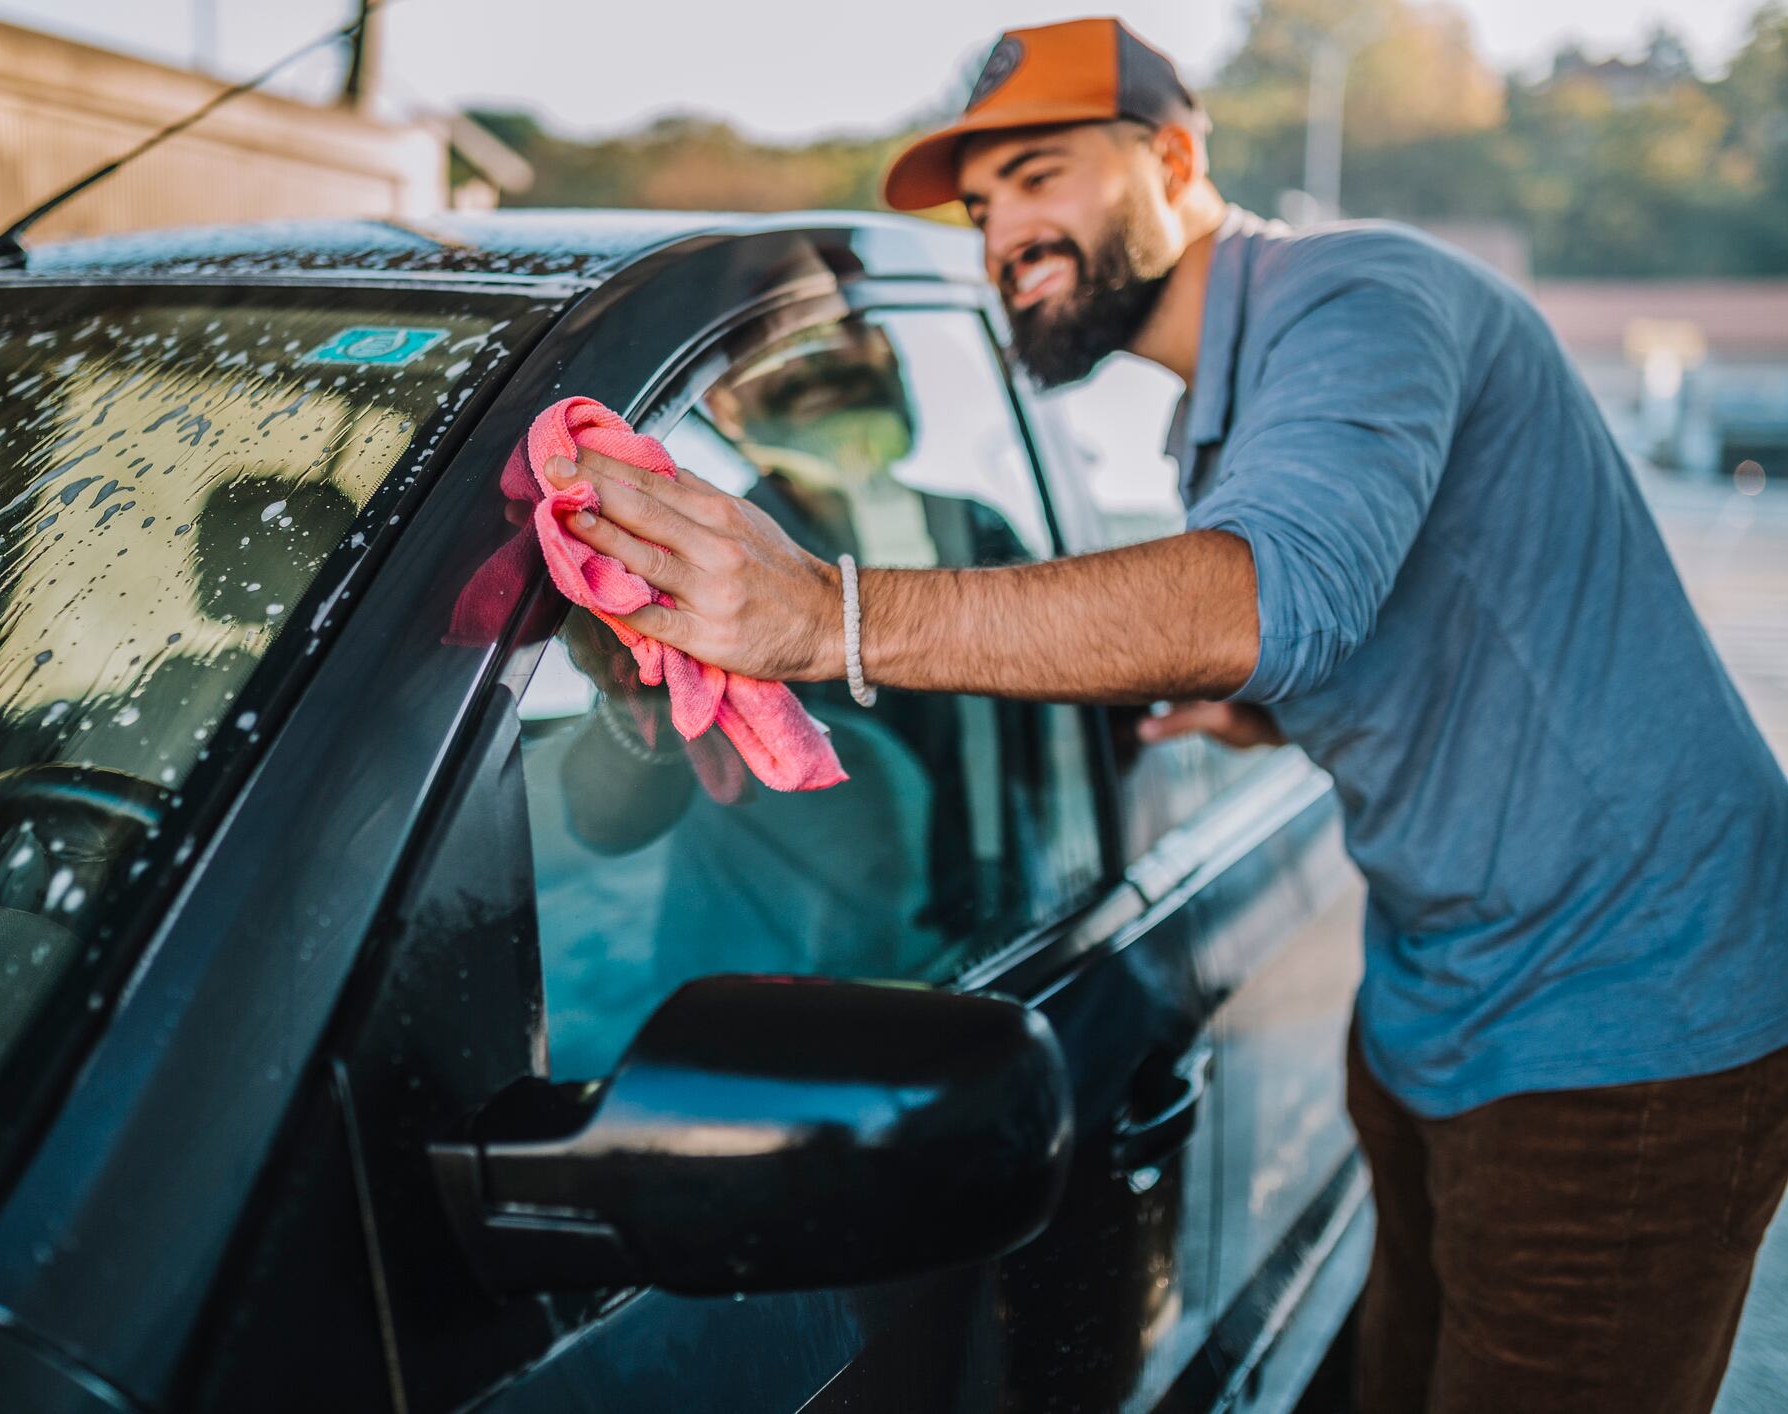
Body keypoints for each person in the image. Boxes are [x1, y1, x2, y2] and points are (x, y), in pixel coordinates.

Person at [544, 16, 1788, 1414]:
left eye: (1040, 175)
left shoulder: (1359, 296)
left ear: (1177, 161)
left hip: (1626, 1008)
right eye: (982, 206)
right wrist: (1273, 715)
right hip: (1434, 997)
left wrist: (823, 616)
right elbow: (1407, 621)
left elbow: (1268, 597)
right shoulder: (1232, 407)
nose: (1005, 233)